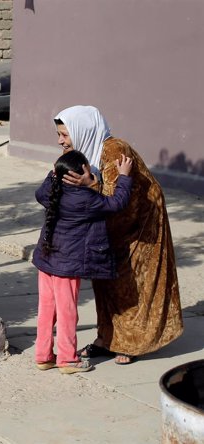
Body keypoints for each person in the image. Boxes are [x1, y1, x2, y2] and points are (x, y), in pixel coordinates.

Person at [55, 105, 184, 365]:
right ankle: (106, 338)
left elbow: (118, 199)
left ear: (82, 130)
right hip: (112, 225)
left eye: (65, 135)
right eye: (59, 135)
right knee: (105, 281)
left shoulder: (114, 150)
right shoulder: (89, 152)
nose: (60, 141)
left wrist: (90, 185)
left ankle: (132, 343)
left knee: (130, 284)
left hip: (141, 226)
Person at [32, 150, 133, 374]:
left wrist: (53, 174)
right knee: (67, 312)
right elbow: (116, 203)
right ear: (83, 172)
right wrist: (124, 176)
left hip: (46, 260)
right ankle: (67, 359)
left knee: (47, 309)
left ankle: (43, 356)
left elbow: (40, 193)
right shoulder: (86, 198)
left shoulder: (50, 190)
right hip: (67, 266)